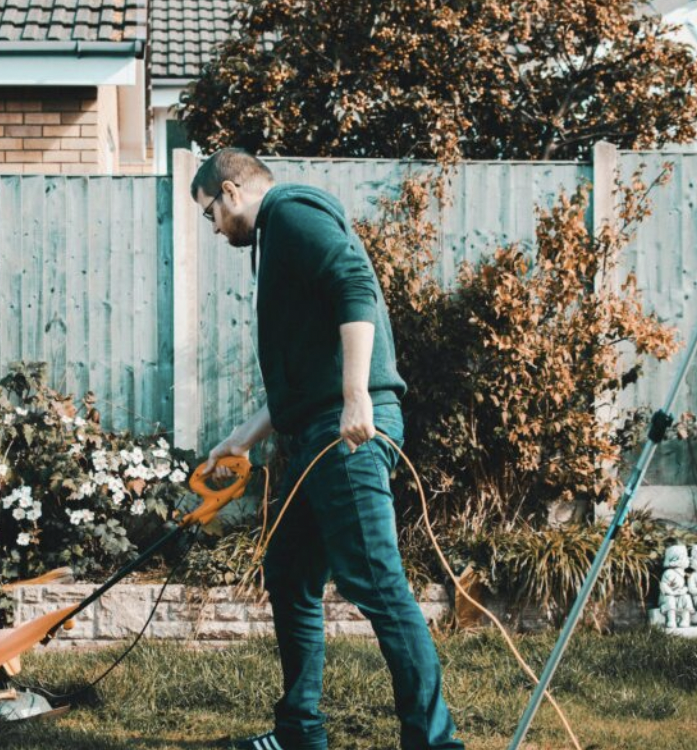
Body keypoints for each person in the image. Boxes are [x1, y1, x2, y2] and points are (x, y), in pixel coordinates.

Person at [193, 148, 464, 750]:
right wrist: (240, 440)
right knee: (288, 571)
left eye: (209, 212)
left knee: (376, 582)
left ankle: (435, 742)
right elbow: (302, 377)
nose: (212, 228)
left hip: (348, 433)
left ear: (231, 191)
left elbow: (355, 284)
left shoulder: (291, 211)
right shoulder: (275, 240)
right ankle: (299, 733)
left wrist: (356, 396)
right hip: (322, 429)